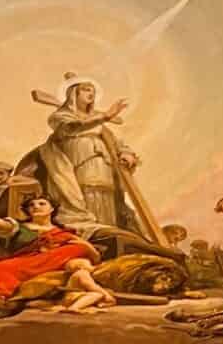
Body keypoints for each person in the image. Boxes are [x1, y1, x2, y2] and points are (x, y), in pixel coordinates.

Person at [18, 77, 150, 236]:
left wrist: (126, 153)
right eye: (86, 89)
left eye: (93, 91)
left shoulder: (100, 125)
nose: (91, 94)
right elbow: (73, 128)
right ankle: (92, 237)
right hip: (76, 167)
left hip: (103, 166)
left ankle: (108, 235)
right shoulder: (60, 117)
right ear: (74, 93)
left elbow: (115, 142)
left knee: (105, 195)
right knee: (85, 196)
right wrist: (105, 116)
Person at [0, 194, 119, 312]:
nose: (36, 207)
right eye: (32, 205)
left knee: (77, 252)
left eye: (42, 203)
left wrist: (86, 249)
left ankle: (100, 295)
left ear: (52, 209)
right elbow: (3, 225)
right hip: (27, 261)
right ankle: (0, 299)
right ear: (27, 210)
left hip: (57, 260)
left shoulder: (63, 231)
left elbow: (87, 250)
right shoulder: (19, 227)